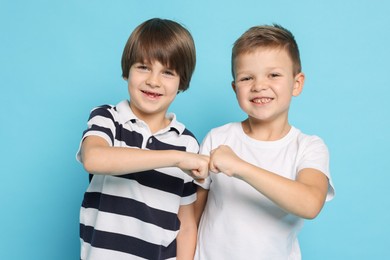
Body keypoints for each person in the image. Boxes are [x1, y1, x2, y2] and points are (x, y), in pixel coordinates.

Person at [194, 24, 335, 259]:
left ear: (297, 83)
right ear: (234, 88)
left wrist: (240, 167)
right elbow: (192, 215)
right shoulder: (217, 138)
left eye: (274, 75)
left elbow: (310, 204)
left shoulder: (309, 147)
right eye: (247, 78)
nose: (259, 86)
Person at [76, 18, 209, 260]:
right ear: (127, 71)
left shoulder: (187, 143)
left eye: (167, 72)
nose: (153, 81)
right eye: (143, 67)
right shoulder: (108, 118)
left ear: (182, 82)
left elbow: (187, 224)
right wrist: (175, 159)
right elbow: (93, 159)